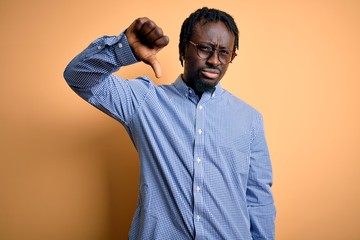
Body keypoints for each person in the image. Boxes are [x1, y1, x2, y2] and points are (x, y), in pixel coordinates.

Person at [64, 7, 276, 240]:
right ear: (183, 48)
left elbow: (258, 200)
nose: (215, 60)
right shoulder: (144, 102)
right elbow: (79, 77)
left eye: (224, 53)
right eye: (205, 48)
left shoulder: (250, 119)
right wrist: (123, 49)